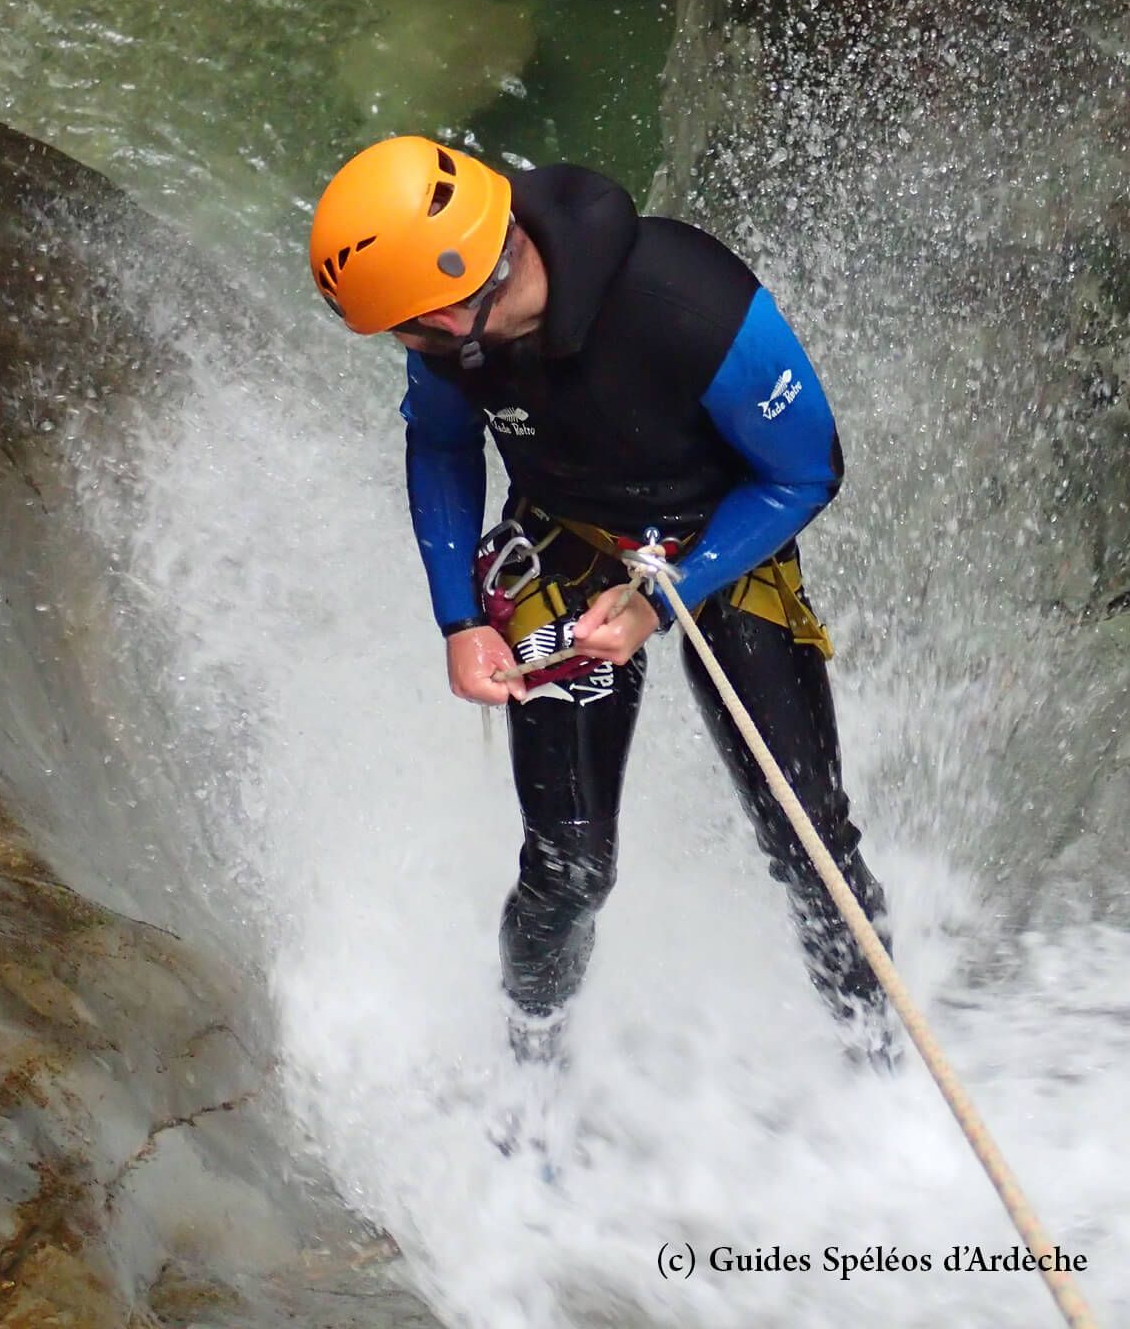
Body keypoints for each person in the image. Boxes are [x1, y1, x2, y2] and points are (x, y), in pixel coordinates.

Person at [309, 135, 895, 1068]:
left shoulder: (688, 304)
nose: (403, 350)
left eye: (409, 331)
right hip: (566, 539)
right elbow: (442, 447)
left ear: (459, 301)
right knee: (568, 871)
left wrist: (664, 602)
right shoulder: (457, 343)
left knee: (808, 843)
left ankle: (879, 1057)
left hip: (720, 544)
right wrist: (460, 621)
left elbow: (804, 472)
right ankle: (531, 1066)